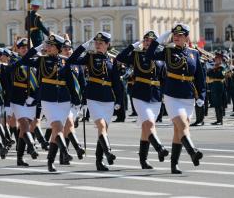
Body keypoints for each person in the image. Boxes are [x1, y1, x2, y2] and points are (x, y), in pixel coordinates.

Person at [145, 24, 205, 174]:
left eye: (180, 35)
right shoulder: (167, 50)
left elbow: (199, 77)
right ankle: (193, 151)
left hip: (188, 96)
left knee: (179, 129)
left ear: (186, 37)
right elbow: (149, 54)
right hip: (172, 95)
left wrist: (202, 95)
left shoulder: (194, 53)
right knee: (182, 124)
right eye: (174, 35)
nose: (176, 37)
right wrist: (159, 39)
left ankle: (174, 164)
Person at [67, 32, 122, 171]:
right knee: (101, 126)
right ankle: (108, 152)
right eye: (96, 43)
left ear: (108, 45)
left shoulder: (112, 60)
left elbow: (116, 82)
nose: (98, 45)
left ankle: (99, 161)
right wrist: (84, 46)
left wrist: (119, 100)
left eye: (101, 43)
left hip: (108, 99)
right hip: (93, 97)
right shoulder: (89, 57)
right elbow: (71, 59)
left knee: (103, 130)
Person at [16, 34, 73, 172]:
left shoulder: (65, 62)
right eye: (47, 45)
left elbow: (71, 82)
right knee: (57, 126)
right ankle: (64, 150)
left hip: (64, 100)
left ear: (58, 48)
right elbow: (24, 59)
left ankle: (50, 161)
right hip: (48, 100)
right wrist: (37, 48)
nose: (48, 47)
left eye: (51, 46)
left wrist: (78, 101)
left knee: (56, 132)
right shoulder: (40, 60)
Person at [116, 30, 169, 169]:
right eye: (145, 40)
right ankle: (159, 148)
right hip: (140, 94)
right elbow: (120, 58)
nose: (147, 42)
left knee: (147, 128)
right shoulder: (136, 55)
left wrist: (165, 96)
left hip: (156, 96)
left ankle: (143, 160)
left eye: (151, 41)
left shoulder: (160, 57)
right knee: (149, 123)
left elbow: (164, 79)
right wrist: (132, 46)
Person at [5, 38, 40, 166]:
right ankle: (31, 148)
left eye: (27, 47)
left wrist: (35, 96)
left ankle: (19, 158)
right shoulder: (14, 61)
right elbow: (9, 76)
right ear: (18, 50)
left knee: (25, 129)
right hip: (17, 99)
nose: (25, 49)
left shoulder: (36, 61)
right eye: (22, 48)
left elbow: (40, 81)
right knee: (24, 125)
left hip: (31, 100)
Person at [60, 39, 86, 164]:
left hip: (75, 100)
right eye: (64, 48)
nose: (67, 50)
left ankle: (63, 155)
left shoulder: (77, 64)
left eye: (69, 48)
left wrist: (84, 100)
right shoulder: (59, 63)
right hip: (63, 99)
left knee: (67, 128)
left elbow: (82, 82)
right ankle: (78, 148)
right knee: (69, 124)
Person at [207, 52, 226, 125]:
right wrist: (213, 71)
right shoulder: (215, 67)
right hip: (214, 85)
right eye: (216, 59)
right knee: (216, 103)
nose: (216, 60)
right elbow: (209, 74)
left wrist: (213, 72)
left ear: (220, 59)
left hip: (219, 85)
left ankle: (220, 120)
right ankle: (218, 119)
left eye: (217, 59)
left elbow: (221, 75)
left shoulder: (222, 67)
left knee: (219, 103)